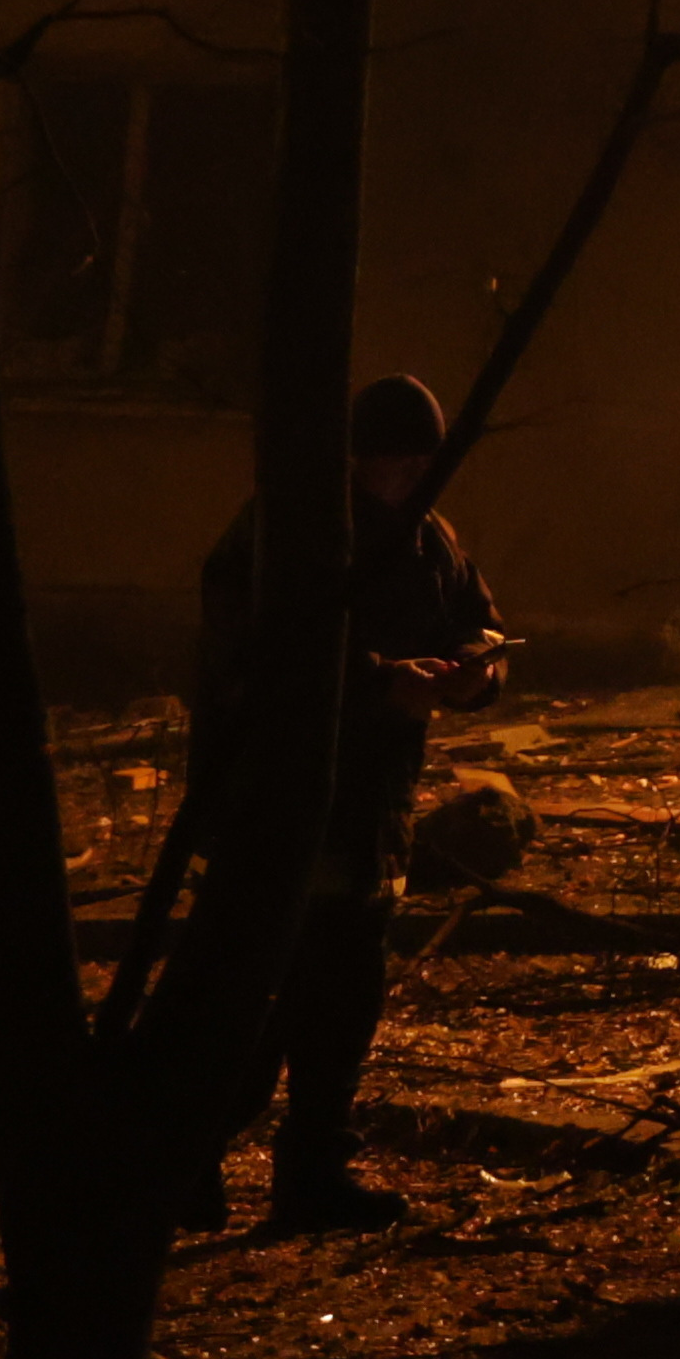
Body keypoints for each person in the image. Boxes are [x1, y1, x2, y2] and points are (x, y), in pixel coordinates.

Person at [191, 369, 511, 1234]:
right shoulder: (289, 529)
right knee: (267, 991)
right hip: (282, 796)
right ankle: (185, 1157)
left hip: (376, 803)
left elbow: (473, 621)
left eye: (418, 464)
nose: (403, 478)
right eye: (389, 463)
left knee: (343, 998)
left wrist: (477, 668)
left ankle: (311, 1172)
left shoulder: (428, 537)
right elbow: (257, 655)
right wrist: (379, 685)